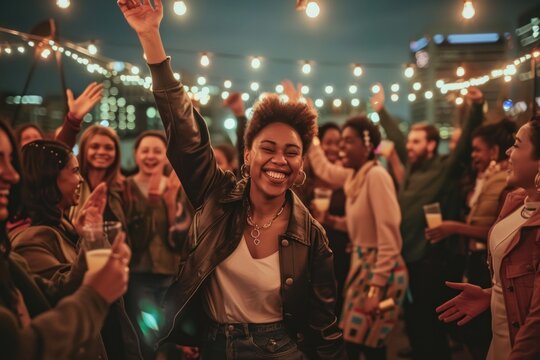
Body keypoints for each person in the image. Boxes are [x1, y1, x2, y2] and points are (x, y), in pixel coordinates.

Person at [118, 1, 346, 358]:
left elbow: (324, 327)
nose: (279, 160)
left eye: (291, 151)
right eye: (267, 148)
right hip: (213, 346)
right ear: (249, 155)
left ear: (301, 164)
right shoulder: (216, 195)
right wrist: (150, 37)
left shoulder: (312, 237)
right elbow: (187, 138)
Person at [0, 119, 131, 359]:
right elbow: (62, 296)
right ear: (49, 177)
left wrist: (90, 233)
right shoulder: (31, 238)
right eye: (74, 171)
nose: (80, 179)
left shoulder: (62, 227)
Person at [371, 85, 484, 359]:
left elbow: (466, 141)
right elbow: (397, 140)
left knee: (431, 330)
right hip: (407, 260)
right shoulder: (412, 168)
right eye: (409, 142)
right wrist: (381, 111)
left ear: (432, 145)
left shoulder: (443, 170)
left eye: (416, 142)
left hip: (430, 265)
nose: (409, 146)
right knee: (414, 326)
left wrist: (476, 108)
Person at [437, 118, 540, 360]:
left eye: (516, 144)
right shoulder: (516, 202)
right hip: (500, 341)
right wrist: (492, 294)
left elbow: (537, 319)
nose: (508, 152)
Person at [308, 115, 408, 360]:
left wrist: (375, 289)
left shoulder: (376, 176)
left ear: (367, 146)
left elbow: (389, 236)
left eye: (348, 141)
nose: (342, 146)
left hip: (380, 270)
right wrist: (332, 221)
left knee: (368, 345)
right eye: (341, 141)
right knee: (355, 340)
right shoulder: (355, 176)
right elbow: (323, 168)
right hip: (362, 266)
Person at [425, 119, 516, 359]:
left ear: (494, 151)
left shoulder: (504, 183)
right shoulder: (483, 178)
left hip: (484, 262)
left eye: (477, 149)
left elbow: (493, 229)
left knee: (480, 336)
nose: (472, 155)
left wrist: (454, 227)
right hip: (474, 259)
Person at [123, 130, 191, 359]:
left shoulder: (177, 188)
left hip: (169, 275)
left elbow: (181, 240)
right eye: (145, 150)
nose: (150, 156)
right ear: (135, 154)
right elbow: (132, 239)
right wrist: (152, 204)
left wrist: (170, 204)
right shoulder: (125, 188)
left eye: (157, 151)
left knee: (169, 336)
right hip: (137, 274)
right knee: (143, 337)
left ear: (166, 156)